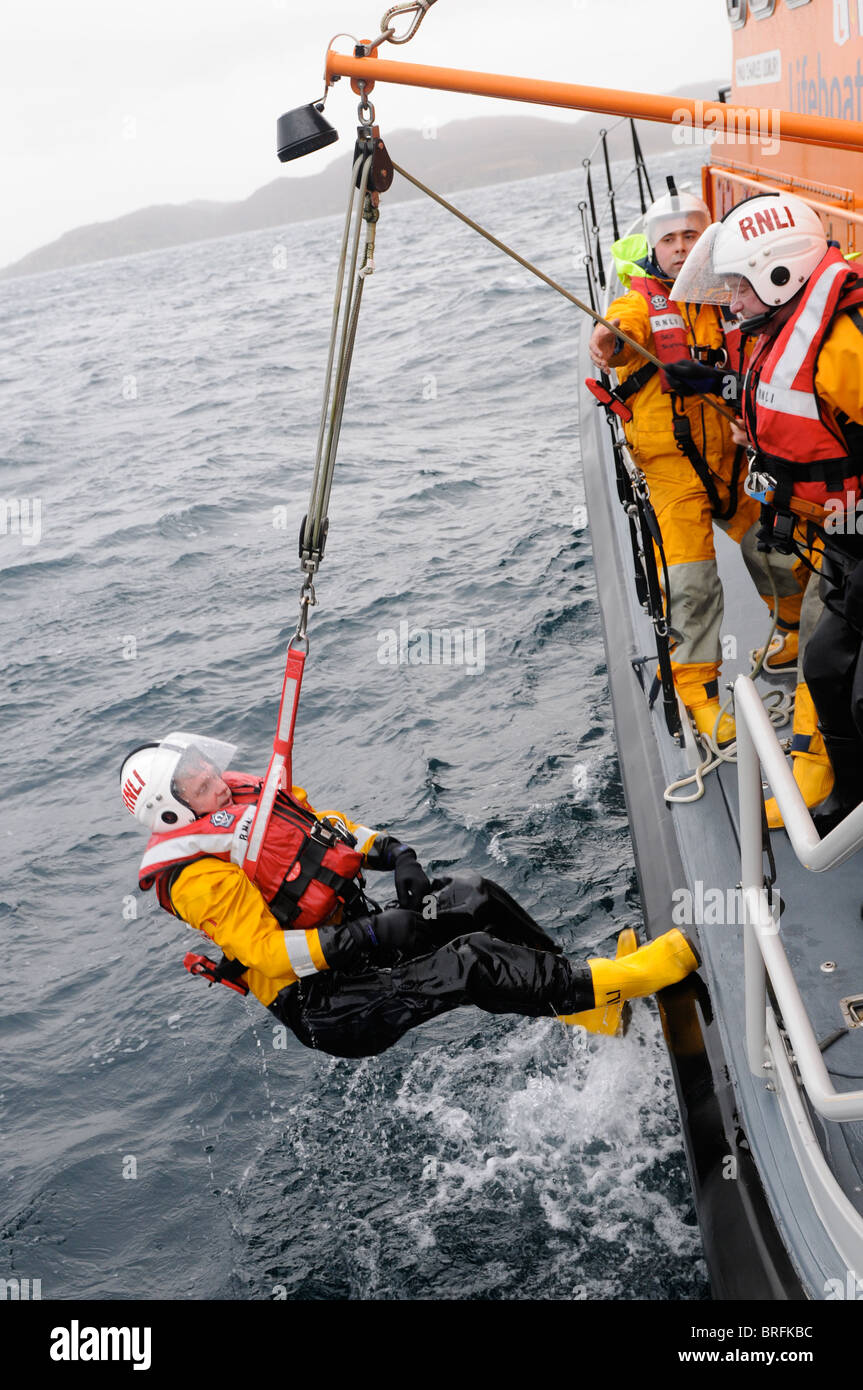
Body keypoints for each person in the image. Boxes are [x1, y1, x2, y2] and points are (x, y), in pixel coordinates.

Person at [120, 732, 700, 1058]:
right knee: (470, 962)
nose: (219, 784)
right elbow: (268, 956)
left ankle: (586, 998)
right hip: (328, 1003)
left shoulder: (240, 798)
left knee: (471, 896)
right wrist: (367, 934)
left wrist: (393, 852)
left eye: (209, 772)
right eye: (202, 786)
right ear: (172, 810)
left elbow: (324, 827)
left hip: (360, 939)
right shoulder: (197, 879)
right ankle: (626, 981)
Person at [671, 191, 863, 832]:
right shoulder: (782, 332)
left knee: (847, 681)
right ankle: (848, 796)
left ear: (780, 275)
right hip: (843, 544)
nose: (731, 301)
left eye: (739, 286)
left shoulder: (844, 346)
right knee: (826, 665)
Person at [589, 182, 805, 747]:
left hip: (733, 453)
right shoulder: (638, 303)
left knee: (776, 544)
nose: (681, 248)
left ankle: (790, 628)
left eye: (691, 236)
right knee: (691, 580)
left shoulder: (733, 295)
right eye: (669, 240)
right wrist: (607, 341)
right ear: (652, 250)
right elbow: (621, 325)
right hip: (671, 465)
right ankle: (698, 694)